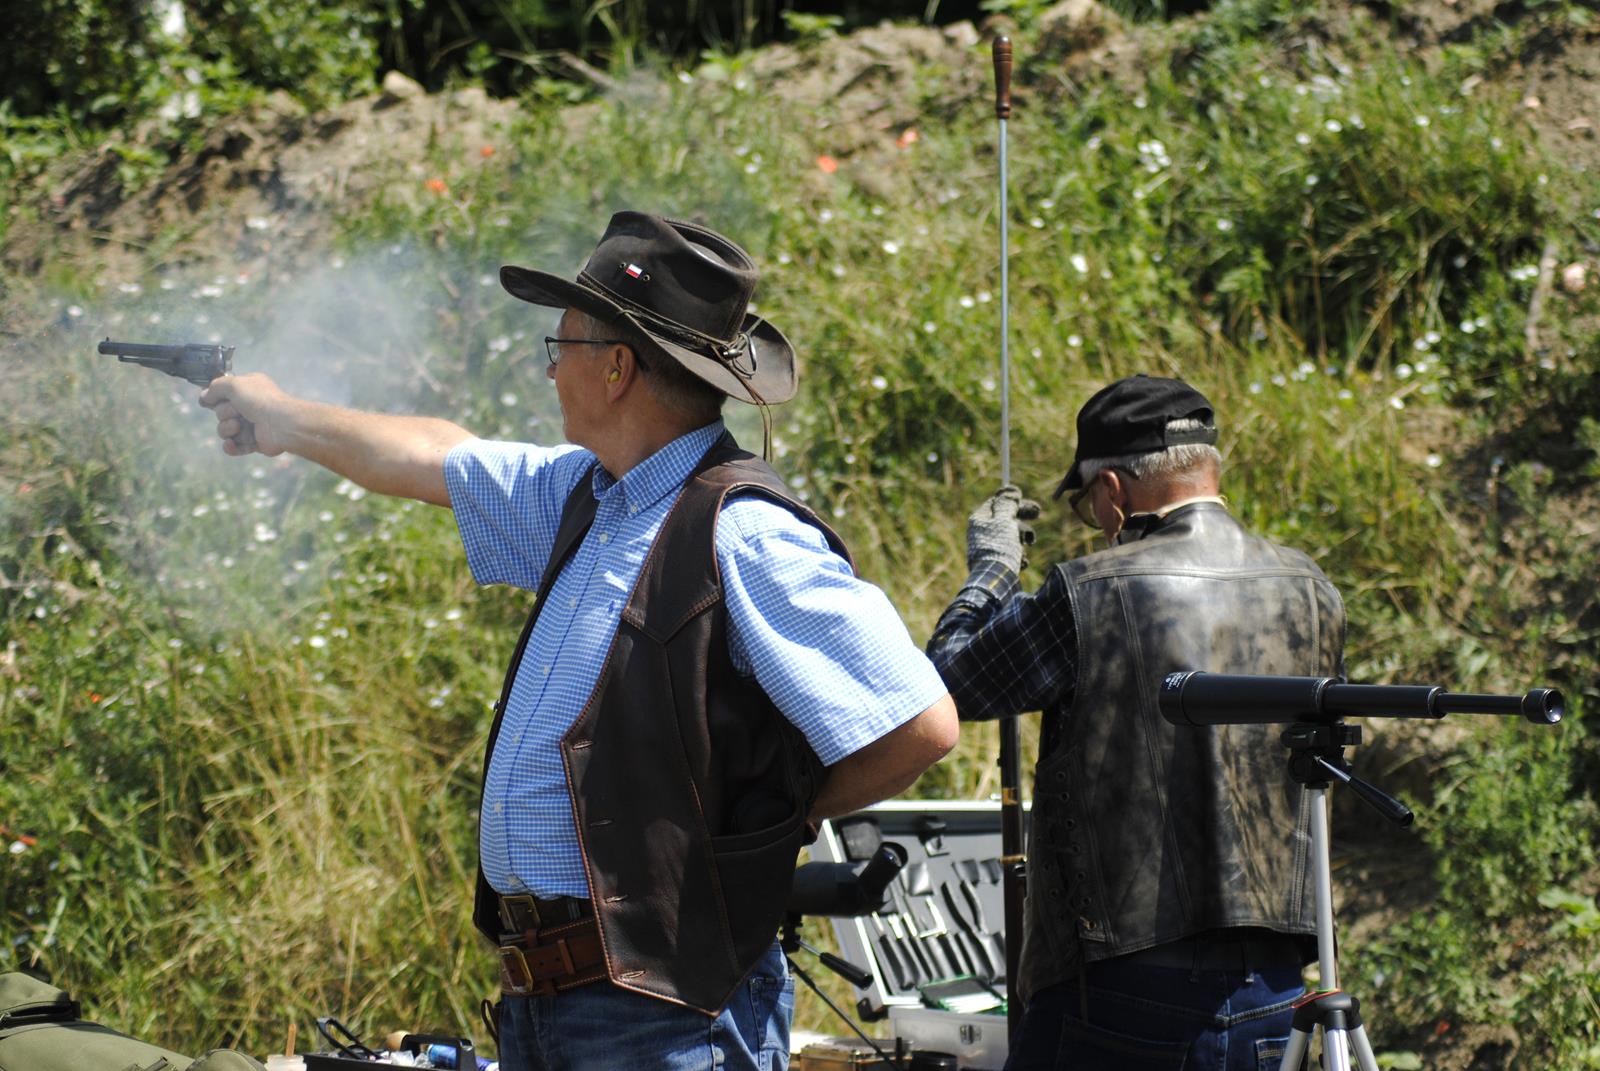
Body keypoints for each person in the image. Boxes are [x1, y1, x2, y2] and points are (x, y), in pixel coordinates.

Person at [200, 211, 959, 1071]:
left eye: (559, 347)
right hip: (559, 1000)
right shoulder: (588, 496)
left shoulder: (743, 533)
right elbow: (436, 455)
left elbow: (919, 723)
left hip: (662, 1009)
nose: (551, 369)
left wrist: (767, 831)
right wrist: (283, 418)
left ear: (616, 367)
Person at [926, 374, 1346, 1071]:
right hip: (1278, 984)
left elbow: (943, 683)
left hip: (1123, 986)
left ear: (1113, 490)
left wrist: (993, 572)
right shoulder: (1313, 588)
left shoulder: (1089, 591)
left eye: (1090, 505)